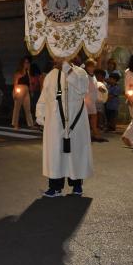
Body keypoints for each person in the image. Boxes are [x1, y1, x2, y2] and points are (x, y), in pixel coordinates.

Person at [36, 59, 92, 197]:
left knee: (76, 153)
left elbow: (83, 89)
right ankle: (55, 187)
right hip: (55, 122)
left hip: (75, 122)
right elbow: (45, 96)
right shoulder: (50, 75)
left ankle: (77, 185)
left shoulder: (80, 72)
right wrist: (40, 113)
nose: (57, 60)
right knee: (55, 153)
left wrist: (68, 70)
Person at [84, 59, 106, 142]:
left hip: (92, 99)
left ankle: (94, 132)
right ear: (87, 66)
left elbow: (94, 84)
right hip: (87, 98)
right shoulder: (85, 75)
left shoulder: (93, 75)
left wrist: (99, 88)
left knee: (93, 116)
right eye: (91, 66)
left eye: (93, 66)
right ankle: (91, 133)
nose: (93, 68)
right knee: (89, 116)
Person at [11, 57, 34, 129]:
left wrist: (31, 91)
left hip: (26, 90)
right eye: (26, 63)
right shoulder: (18, 72)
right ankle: (15, 124)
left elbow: (29, 82)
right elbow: (15, 83)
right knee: (17, 108)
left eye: (28, 63)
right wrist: (15, 92)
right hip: (19, 89)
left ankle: (30, 124)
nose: (27, 64)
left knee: (28, 108)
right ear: (22, 64)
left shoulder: (27, 72)